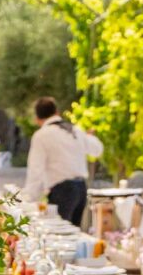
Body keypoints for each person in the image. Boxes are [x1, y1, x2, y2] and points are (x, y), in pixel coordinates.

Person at [23, 96, 103, 226]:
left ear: (37, 119)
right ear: (57, 112)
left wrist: (28, 200)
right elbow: (97, 150)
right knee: (73, 232)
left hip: (62, 190)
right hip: (81, 189)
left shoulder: (41, 135)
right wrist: (90, 137)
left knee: (58, 232)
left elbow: (36, 171)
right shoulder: (75, 130)